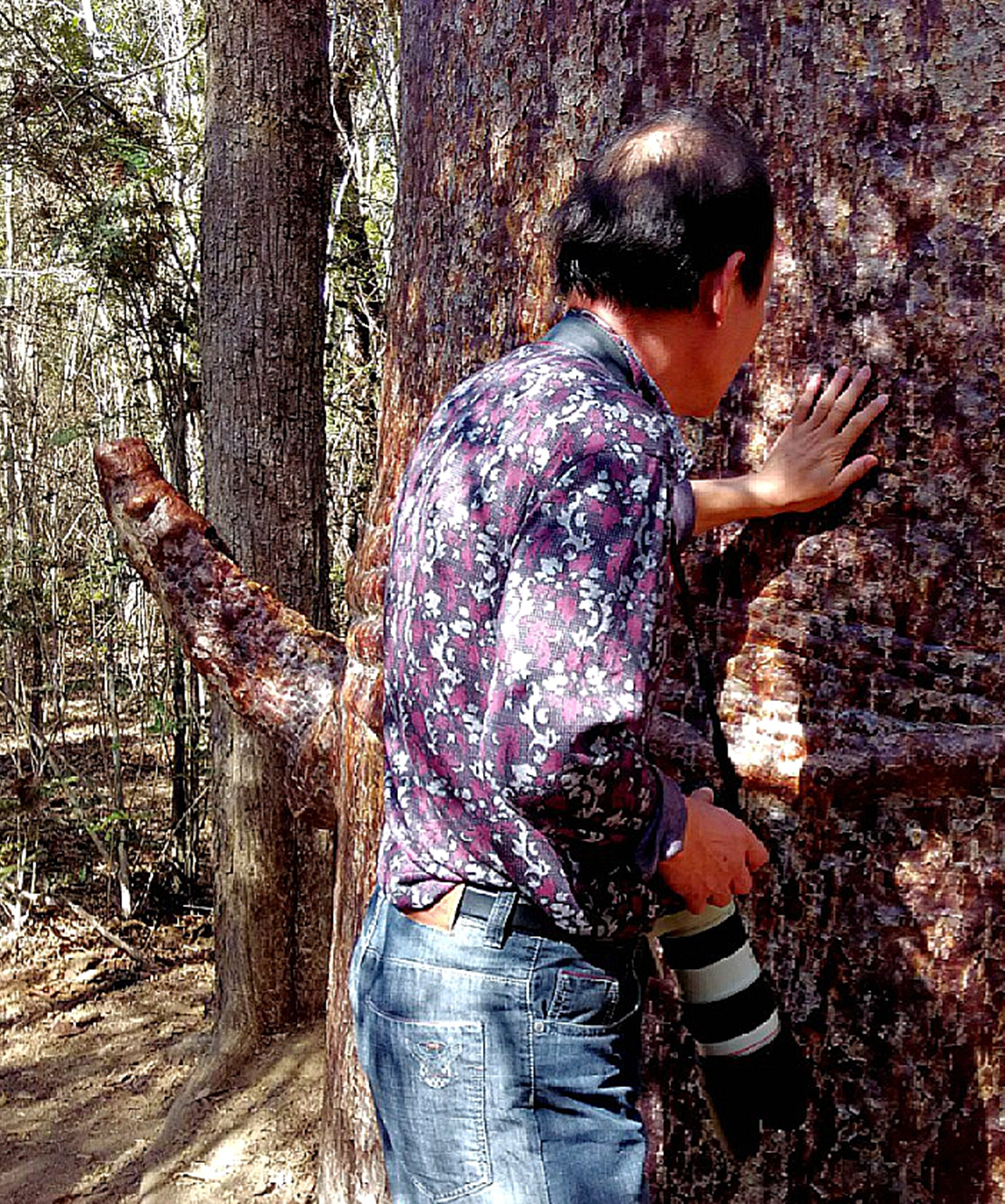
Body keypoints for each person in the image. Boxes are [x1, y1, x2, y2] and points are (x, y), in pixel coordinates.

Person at [349, 105, 887, 1204]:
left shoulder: (491, 403)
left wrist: (757, 492)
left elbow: (571, 531)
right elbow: (558, 750)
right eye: (762, 299)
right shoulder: (612, 438)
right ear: (723, 284)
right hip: (511, 1011)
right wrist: (676, 828)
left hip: (419, 969)